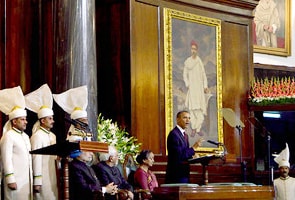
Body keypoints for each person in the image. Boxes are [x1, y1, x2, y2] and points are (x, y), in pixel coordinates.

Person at [25, 84, 58, 199]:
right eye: (50, 118)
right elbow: (36, 158)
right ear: (42, 120)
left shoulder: (52, 136)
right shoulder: (37, 136)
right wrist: (37, 181)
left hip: (52, 175)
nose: (52, 121)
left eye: (52, 118)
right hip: (42, 178)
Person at [0, 86, 33, 199]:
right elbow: (6, 158)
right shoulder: (8, 136)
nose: (26, 122)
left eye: (26, 119)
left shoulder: (26, 136)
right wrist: (10, 179)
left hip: (26, 181)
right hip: (15, 181)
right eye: (22, 119)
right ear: (14, 121)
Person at [165, 111, 204, 184]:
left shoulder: (185, 135)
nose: (188, 120)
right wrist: (193, 148)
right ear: (178, 119)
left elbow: (185, 153)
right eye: (185, 118)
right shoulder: (174, 134)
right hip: (176, 175)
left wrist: (193, 156)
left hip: (184, 173)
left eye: (189, 118)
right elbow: (179, 155)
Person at [183, 40, 209, 136]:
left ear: (197, 50)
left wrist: (205, 86)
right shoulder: (188, 61)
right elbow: (185, 74)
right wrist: (187, 84)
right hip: (192, 88)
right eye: (192, 49)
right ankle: (194, 129)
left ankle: (197, 129)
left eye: (195, 49)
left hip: (199, 89)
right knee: (192, 111)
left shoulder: (199, 61)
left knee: (200, 112)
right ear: (191, 50)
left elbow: (203, 74)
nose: (193, 51)